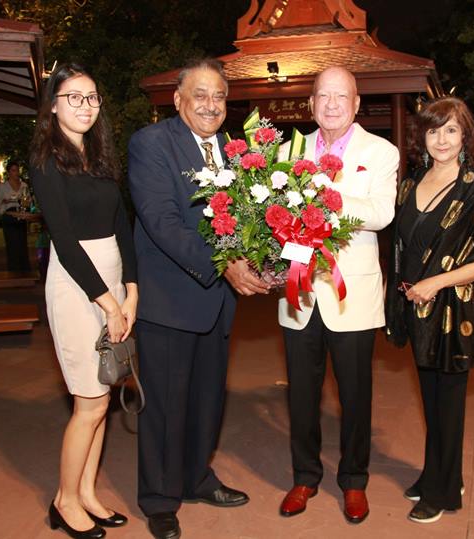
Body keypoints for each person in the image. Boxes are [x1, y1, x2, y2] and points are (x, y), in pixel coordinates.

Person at [128, 58, 269, 539]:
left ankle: (196, 478)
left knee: (208, 399)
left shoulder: (235, 152)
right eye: (200, 95)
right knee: (165, 404)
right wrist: (225, 265)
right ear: (178, 100)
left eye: (219, 96)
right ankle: (160, 498)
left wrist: (261, 260)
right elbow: (162, 221)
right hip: (170, 300)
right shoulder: (152, 145)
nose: (211, 105)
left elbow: (250, 220)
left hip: (217, 303)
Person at [277, 66, 399, 524]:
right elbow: (277, 215)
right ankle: (305, 475)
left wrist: (326, 198)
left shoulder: (380, 152)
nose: (331, 104)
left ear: (356, 103)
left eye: (341, 96)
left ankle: (353, 480)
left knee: (355, 396)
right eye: (322, 96)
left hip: (353, 296)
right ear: (310, 104)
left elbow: (381, 213)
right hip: (300, 292)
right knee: (302, 397)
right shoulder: (291, 152)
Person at [30, 62, 138, 539]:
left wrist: (131, 292)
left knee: (105, 395)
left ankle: (88, 494)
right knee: (89, 402)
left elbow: (123, 227)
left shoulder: (99, 159)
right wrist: (109, 304)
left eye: (92, 97)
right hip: (77, 285)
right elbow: (67, 242)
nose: (85, 106)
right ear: (53, 105)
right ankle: (64, 500)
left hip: (112, 280)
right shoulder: (46, 162)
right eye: (74, 97)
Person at [386, 97, 474, 523]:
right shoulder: (411, 182)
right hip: (416, 310)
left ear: (465, 136)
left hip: (452, 311)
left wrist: (435, 282)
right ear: (423, 137)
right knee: (430, 402)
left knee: (449, 405)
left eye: (451, 130)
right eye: (434, 130)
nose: (442, 139)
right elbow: (401, 248)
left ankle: (443, 491)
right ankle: (437, 473)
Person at [0, 160, 32, 272]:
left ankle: (24, 270)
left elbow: (28, 200)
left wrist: (25, 202)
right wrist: (6, 203)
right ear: (9, 172)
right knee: (12, 244)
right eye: (13, 170)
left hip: (21, 216)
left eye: (17, 170)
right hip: (9, 217)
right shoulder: (2, 187)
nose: (16, 173)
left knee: (22, 243)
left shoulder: (23, 185)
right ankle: (14, 270)